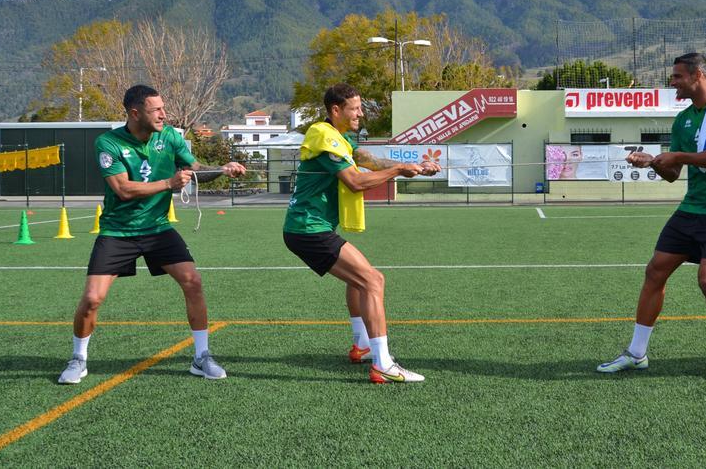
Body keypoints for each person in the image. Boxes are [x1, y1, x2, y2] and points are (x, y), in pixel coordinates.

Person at [59, 85, 246, 384]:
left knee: (193, 282)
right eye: (155, 110)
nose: (163, 114)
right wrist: (167, 183)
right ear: (135, 113)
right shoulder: (107, 143)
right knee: (93, 298)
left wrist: (223, 169)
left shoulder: (170, 136)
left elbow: (195, 168)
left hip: (158, 229)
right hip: (118, 232)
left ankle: (202, 357)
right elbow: (122, 189)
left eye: (163, 108)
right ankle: (78, 359)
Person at [597, 53, 706, 382]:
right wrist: (653, 161)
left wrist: (677, 156)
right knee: (655, 271)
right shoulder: (683, 120)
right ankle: (637, 353)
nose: (672, 82)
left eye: (676, 77)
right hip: (692, 207)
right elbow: (673, 173)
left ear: (697, 75)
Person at [282, 83, 440, 383]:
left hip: (310, 228)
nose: (361, 113)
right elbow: (355, 181)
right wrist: (398, 171)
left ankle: (363, 345)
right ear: (336, 110)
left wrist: (412, 166)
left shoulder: (337, 138)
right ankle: (382, 364)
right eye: (355, 108)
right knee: (372, 280)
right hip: (308, 228)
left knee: (359, 279)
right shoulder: (324, 136)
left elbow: (367, 160)